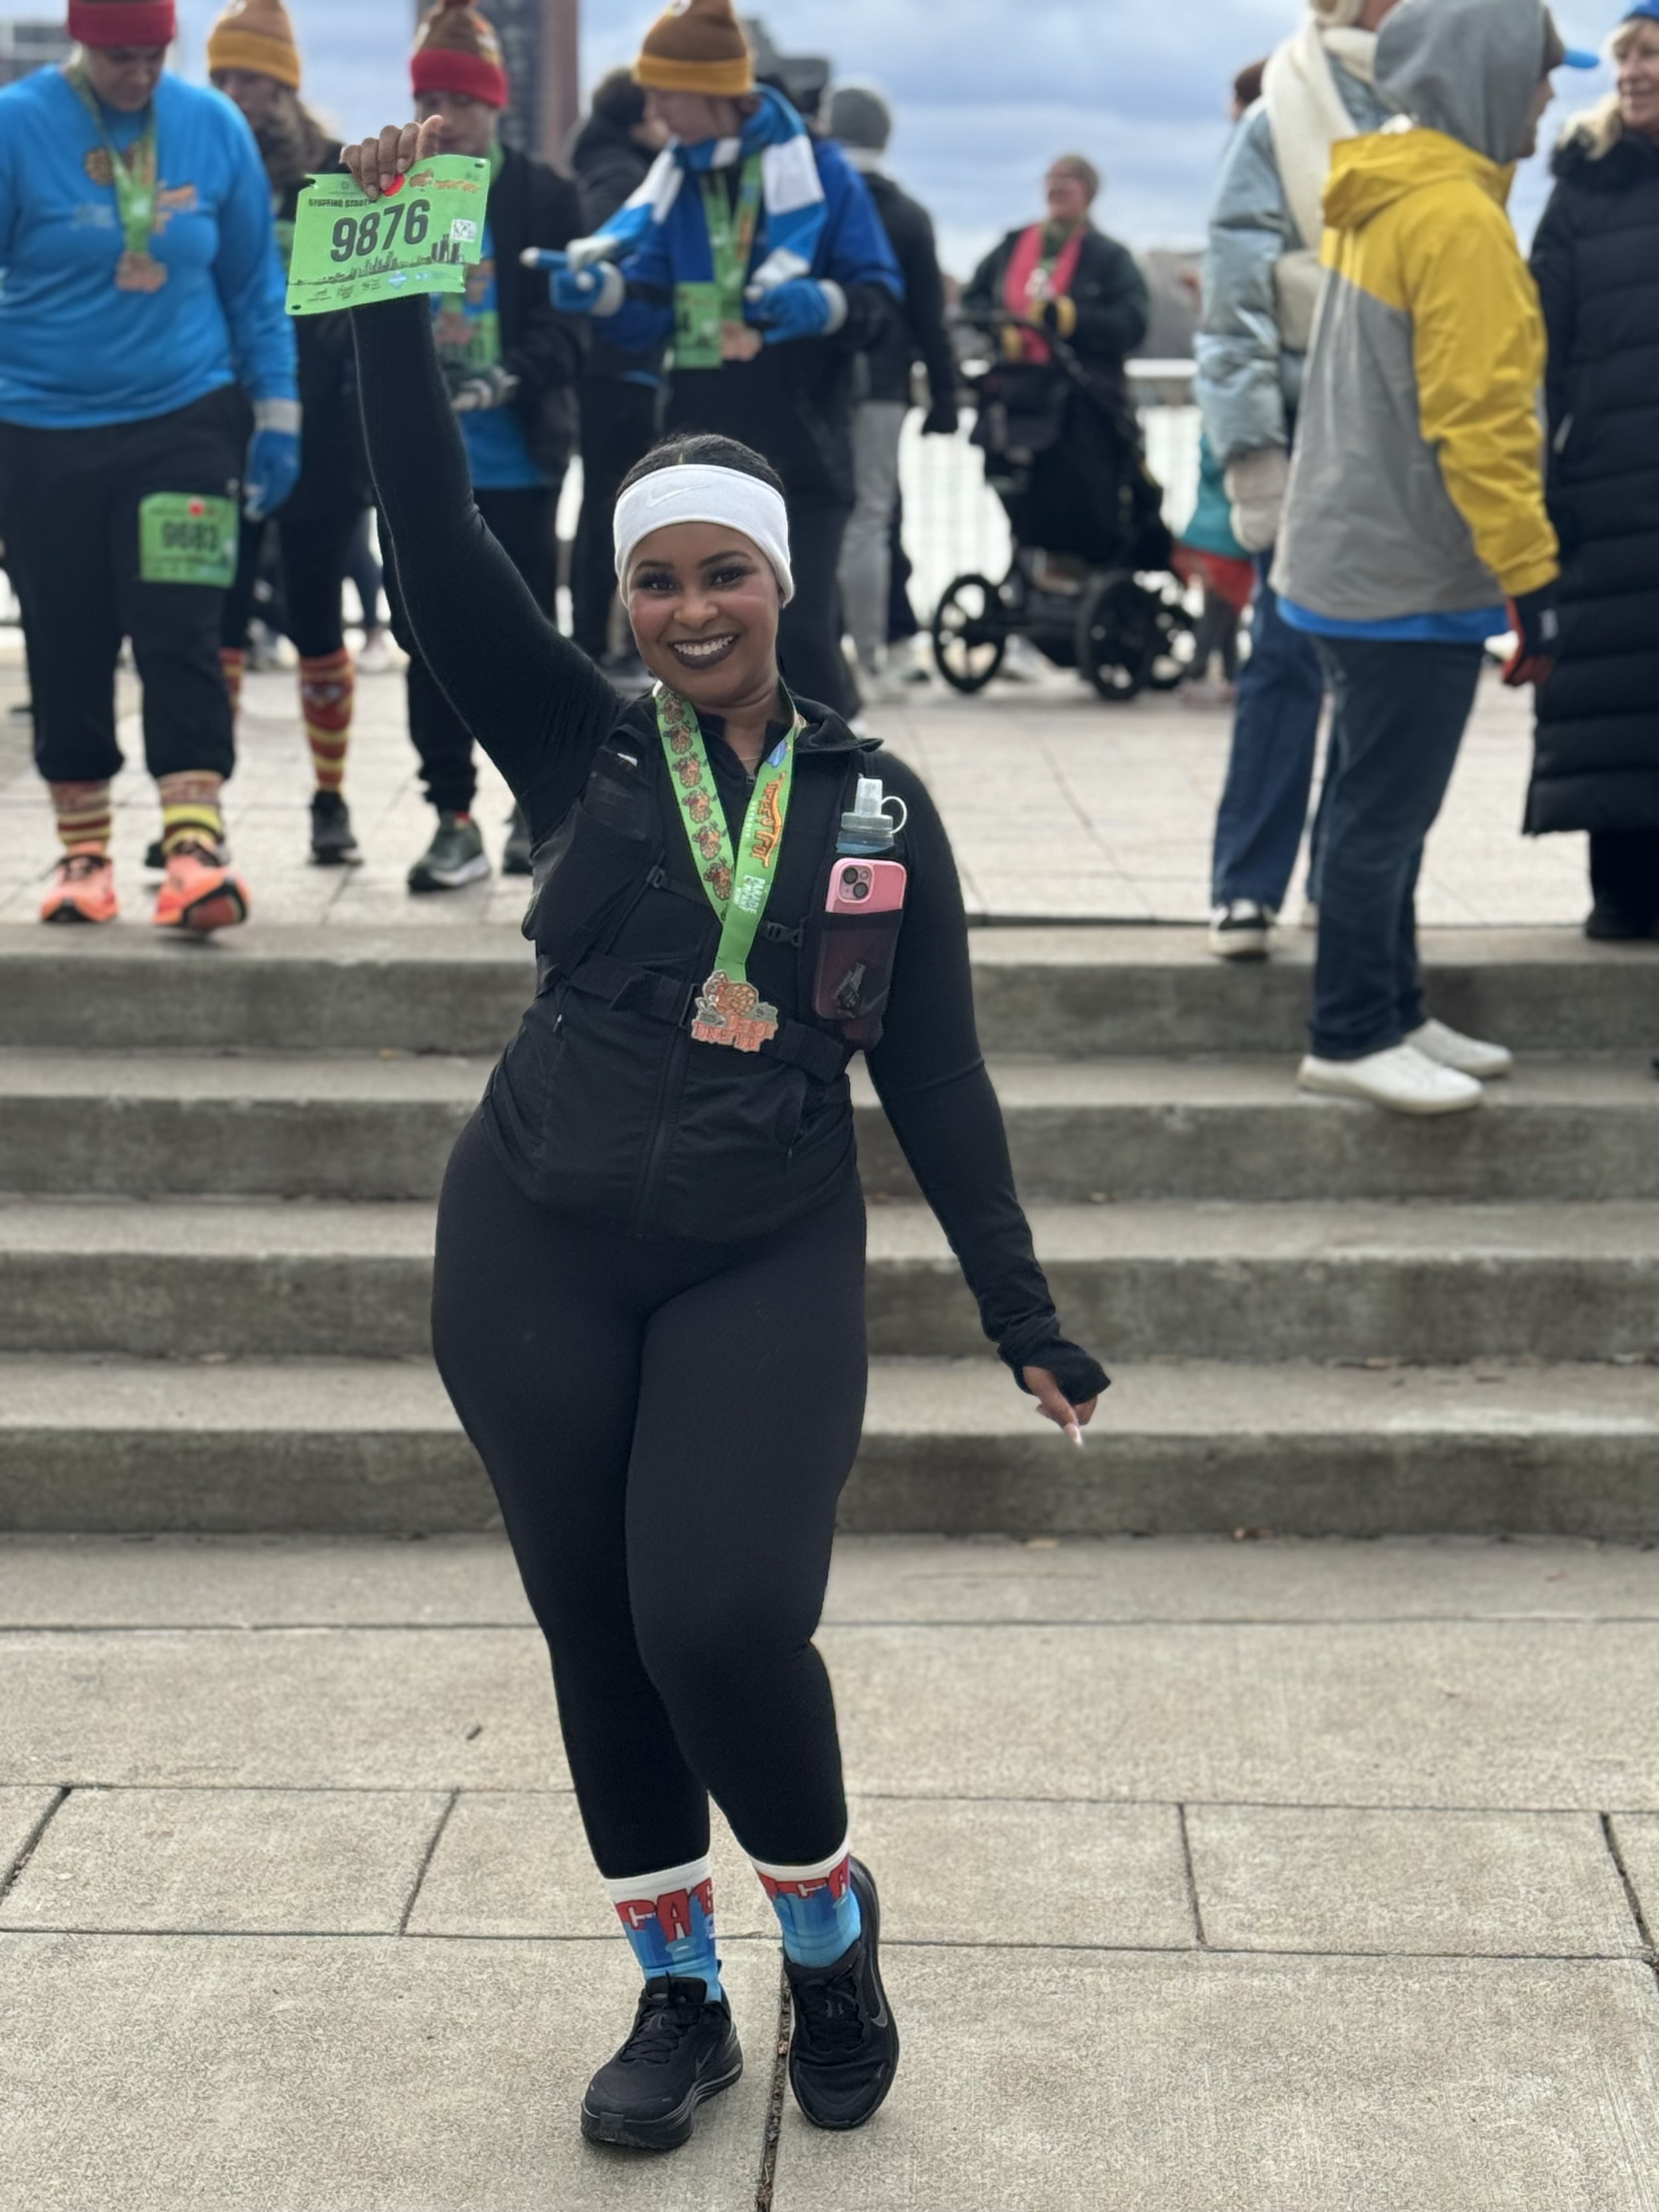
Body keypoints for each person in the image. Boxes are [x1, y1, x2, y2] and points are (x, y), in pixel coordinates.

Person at [344, 105, 1107, 2164]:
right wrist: (397, 283)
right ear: (625, 596)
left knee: (714, 1617)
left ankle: (827, 1933)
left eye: (724, 576)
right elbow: (429, 535)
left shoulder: (878, 809)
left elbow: (933, 1075)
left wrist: (1018, 1309)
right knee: (594, 1628)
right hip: (530, 1231)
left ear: (781, 583)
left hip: (762, 1244)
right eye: (656, 580)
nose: (689, 611)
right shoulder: (575, 736)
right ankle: (676, 1990)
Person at [1274, 0, 1594, 1115]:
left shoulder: (1395, 189)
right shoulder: (1457, 216)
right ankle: (1351, 1031)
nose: (1549, 98)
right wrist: (1532, 576)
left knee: (1371, 803)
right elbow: (1483, 420)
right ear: (1487, 76)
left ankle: (1394, 1005)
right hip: (1405, 572)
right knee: (1384, 815)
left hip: (1351, 553)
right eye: (1541, 75)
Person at [0, 0, 297, 930]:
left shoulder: (211, 126)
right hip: (39, 424)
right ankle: (82, 854)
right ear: (82, 44)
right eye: (119, 57)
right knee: (66, 629)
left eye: (153, 57)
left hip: (184, 417)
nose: (137, 75)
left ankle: (193, 847)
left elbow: (254, 283)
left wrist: (278, 413)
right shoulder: (16, 124)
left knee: (182, 624)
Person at [542, 0, 902, 724]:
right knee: (705, 644)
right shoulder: (677, 179)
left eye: (664, 94)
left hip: (803, 442)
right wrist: (603, 293)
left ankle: (846, 761)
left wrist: (825, 305)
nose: (654, 113)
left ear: (711, 91)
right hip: (703, 450)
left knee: (801, 628)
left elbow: (879, 299)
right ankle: (722, 780)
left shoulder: (820, 171)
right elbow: (650, 305)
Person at [1196, 8, 1395, 961]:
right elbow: (1233, 307)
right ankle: (1247, 886)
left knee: (1386, 674)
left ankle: (1342, 884)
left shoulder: (1444, 101)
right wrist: (1253, 458)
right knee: (1284, 658)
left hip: (1401, 428)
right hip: (1308, 428)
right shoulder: (1278, 115)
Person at [396, 0, 584, 893]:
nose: (446, 117)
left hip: (516, 452)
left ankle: (534, 808)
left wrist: (509, 374)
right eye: (430, 99)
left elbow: (570, 328)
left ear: (495, 105)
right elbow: (338, 317)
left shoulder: (544, 194)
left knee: (527, 634)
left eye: (462, 101)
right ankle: (451, 815)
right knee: (425, 640)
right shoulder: (394, 190)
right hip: (421, 462)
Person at [209, 0, 368, 867]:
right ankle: (203, 806)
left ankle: (331, 800)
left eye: (252, 77)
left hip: (323, 435)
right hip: (218, 425)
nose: (236, 94)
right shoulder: (198, 169)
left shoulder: (333, 179)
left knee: (315, 621)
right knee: (218, 624)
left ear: (285, 85)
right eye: (223, 78)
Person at [1526, 0, 1659, 940]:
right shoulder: (1584, 186)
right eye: (1626, 56)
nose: (1634, 71)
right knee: (1615, 684)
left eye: (1651, 54)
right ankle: (1621, 887)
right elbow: (1536, 350)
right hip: (1608, 484)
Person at [824, 83, 959, 703]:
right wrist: (944, 396)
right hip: (883, 384)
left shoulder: (816, 201)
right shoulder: (907, 215)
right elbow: (929, 316)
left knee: (816, 513)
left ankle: (820, 651)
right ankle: (872, 655)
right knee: (871, 517)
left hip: (819, 378)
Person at [567, 67, 668, 675]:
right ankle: (606, 641)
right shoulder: (624, 177)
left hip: (601, 368)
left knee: (601, 501)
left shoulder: (595, 164)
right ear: (638, 119)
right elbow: (611, 259)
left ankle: (592, 637)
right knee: (622, 502)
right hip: (622, 367)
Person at [961, 155, 1148, 386]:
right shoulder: (1011, 246)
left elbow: (1133, 324)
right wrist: (999, 328)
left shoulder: (1110, 257)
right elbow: (971, 299)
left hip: (1083, 390)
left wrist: (1069, 318)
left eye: (1068, 178)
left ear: (1088, 192)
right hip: (1012, 384)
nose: (1057, 186)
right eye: (1052, 178)